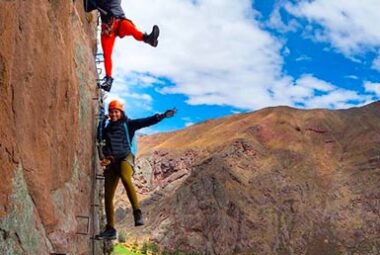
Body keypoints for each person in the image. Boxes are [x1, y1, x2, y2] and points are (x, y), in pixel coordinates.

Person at [95, 100, 176, 240]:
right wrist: (102, 121)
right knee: (108, 197)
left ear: (121, 113)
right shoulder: (108, 128)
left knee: (126, 178)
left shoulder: (128, 124)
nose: (114, 114)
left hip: (125, 158)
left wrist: (162, 116)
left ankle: (137, 212)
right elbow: (99, 137)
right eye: (112, 112)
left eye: (116, 111)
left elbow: (145, 121)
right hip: (111, 162)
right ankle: (110, 229)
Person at [98, 0, 160, 92]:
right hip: (108, 30)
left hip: (119, 23)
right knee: (107, 55)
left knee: (130, 28)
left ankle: (147, 39)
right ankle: (108, 80)